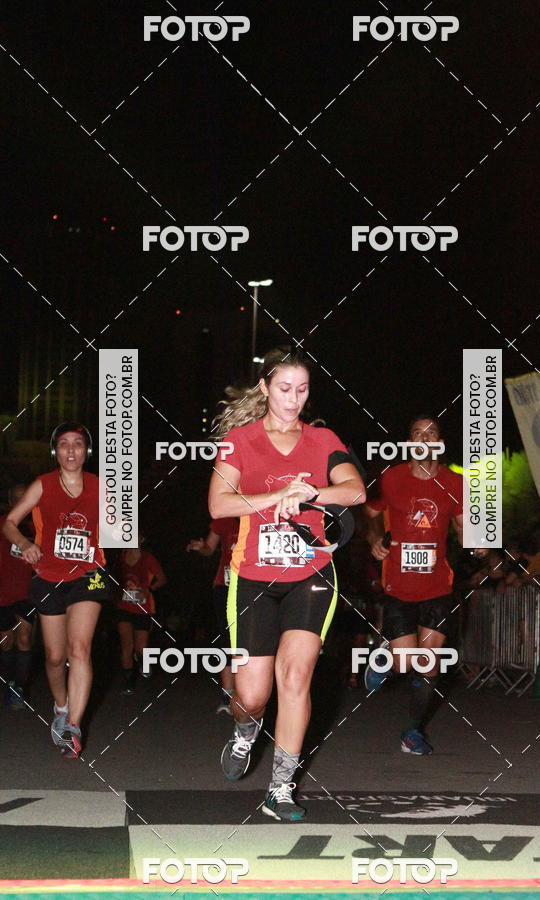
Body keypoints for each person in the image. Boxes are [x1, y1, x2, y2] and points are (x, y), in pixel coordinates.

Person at [209, 346, 365, 821]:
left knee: (295, 678)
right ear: (265, 388)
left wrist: (311, 492)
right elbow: (219, 505)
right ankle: (243, 732)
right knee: (253, 695)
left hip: (311, 574)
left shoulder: (321, 440)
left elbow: (355, 490)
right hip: (254, 576)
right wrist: (277, 493)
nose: (293, 399)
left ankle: (281, 788)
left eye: (302, 390)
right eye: (284, 389)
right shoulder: (240, 440)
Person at [364, 415, 485, 755]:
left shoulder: (455, 482)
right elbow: (370, 515)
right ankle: (385, 658)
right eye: (416, 433)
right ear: (409, 443)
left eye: (430, 433)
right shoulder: (391, 478)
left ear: (439, 444)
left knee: (429, 665)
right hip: (398, 586)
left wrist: (477, 543)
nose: (423, 438)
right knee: (405, 662)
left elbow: (463, 529)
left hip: (437, 587)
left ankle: (412, 731)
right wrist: (376, 541)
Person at [2, 423, 109, 758]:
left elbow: (120, 526)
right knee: (53, 656)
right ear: (56, 451)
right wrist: (25, 543)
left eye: (78, 444)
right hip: (49, 576)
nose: (71, 450)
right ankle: (61, 707)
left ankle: (73, 728)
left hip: (89, 575)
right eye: (64, 444)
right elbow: (8, 522)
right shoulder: (43, 484)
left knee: (80, 649)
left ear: (86, 451)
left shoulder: (100, 485)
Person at [187, 517, 239, 713]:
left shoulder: (262, 510)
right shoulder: (225, 517)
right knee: (226, 640)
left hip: (255, 586)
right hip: (224, 586)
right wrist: (201, 547)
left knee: (248, 640)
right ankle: (227, 696)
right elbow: (209, 548)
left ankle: (249, 694)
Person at [116, 533, 166, 695]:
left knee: (140, 649)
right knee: (126, 645)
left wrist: (149, 589)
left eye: (135, 535)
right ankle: (128, 682)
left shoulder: (147, 558)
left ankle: (144, 663)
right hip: (124, 606)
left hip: (143, 608)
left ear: (141, 539)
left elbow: (162, 579)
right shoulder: (121, 556)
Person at [0, 485, 36, 709]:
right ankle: (9, 681)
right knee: (6, 643)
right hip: (3, 593)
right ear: (10, 500)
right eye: (16, 498)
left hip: (27, 592)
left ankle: (19, 688)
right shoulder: (3, 522)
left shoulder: (36, 526)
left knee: (24, 639)